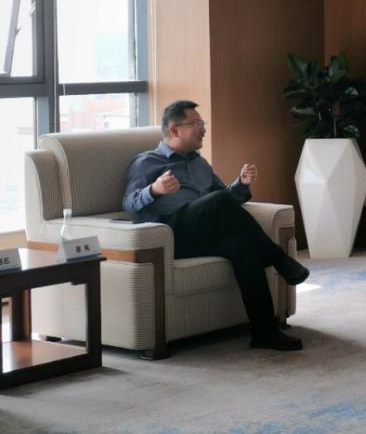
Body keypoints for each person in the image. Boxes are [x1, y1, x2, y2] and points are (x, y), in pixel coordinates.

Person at [124, 100, 310, 352]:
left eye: (203, 123)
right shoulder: (147, 162)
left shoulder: (199, 163)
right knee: (217, 201)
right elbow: (129, 203)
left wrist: (241, 184)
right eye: (196, 123)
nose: (203, 129)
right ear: (174, 129)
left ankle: (264, 332)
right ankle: (279, 259)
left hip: (204, 232)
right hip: (172, 235)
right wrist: (154, 190)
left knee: (243, 248)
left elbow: (226, 199)